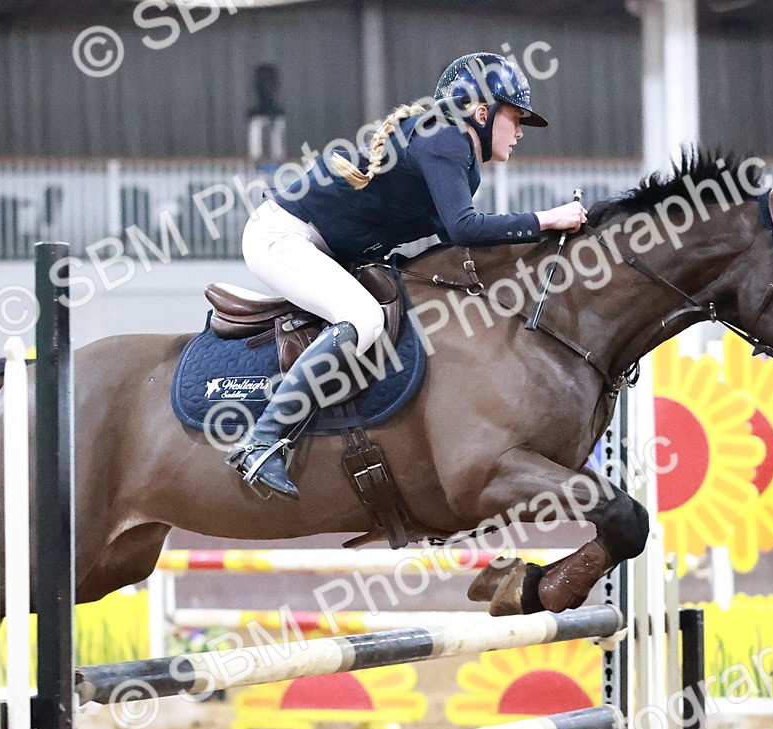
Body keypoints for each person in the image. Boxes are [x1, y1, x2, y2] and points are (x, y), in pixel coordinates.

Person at [225, 52, 588, 499]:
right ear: (481, 112)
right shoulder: (446, 140)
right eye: (515, 119)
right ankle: (261, 442)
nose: (519, 133)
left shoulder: (455, 154)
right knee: (363, 319)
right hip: (282, 235)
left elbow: (454, 242)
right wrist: (545, 220)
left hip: (321, 242)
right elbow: (463, 228)